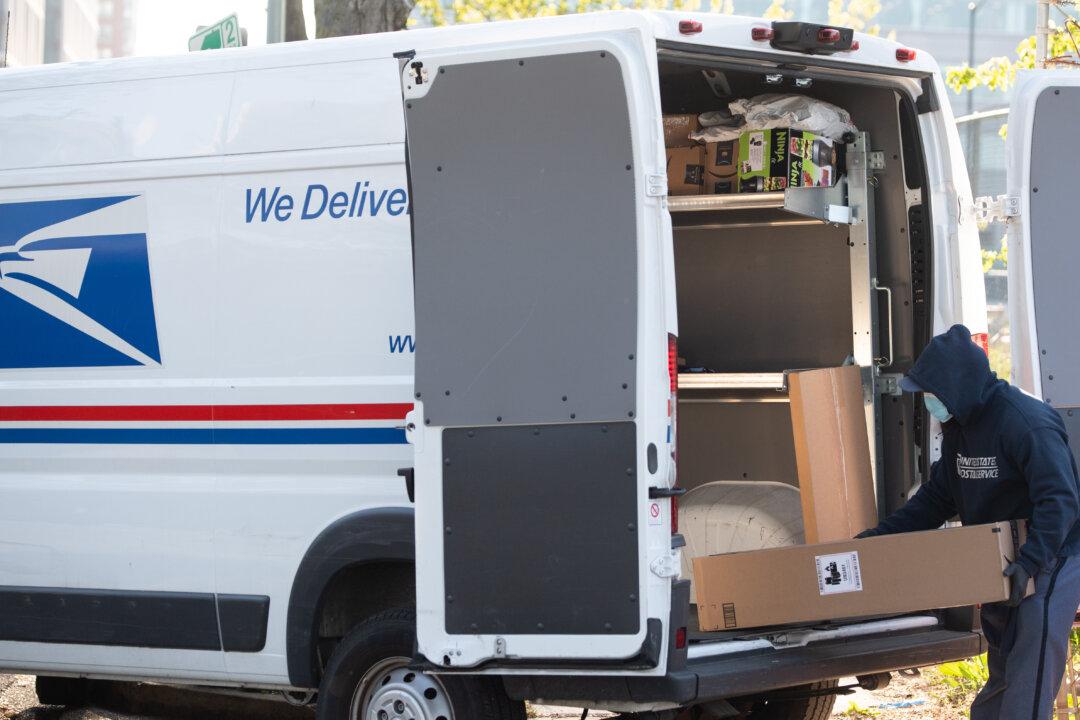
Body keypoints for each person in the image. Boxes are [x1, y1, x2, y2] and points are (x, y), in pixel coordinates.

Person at [856, 324, 1080, 719]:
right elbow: (936, 500)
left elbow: (1060, 501)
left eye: (931, 393)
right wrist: (875, 541)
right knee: (1005, 667)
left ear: (956, 384)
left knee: (1029, 669)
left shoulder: (1026, 423)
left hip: (1052, 555)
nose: (928, 402)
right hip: (1003, 555)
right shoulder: (960, 427)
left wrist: (1029, 563)